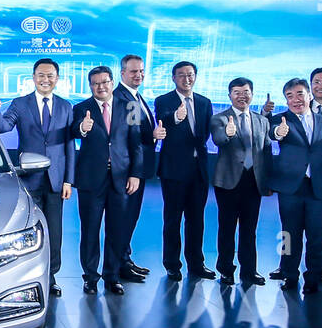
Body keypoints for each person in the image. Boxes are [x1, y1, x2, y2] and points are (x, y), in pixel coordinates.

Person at [0, 58, 76, 297]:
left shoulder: (66, 106)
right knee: (29, 231)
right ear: (33, 77)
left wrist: (69, 180)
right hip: (29, 178)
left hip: (56, 180)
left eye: (50, 75)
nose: (45, 79)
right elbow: (4, 126)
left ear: (57, 79)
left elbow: (69, 145)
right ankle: (26, 278)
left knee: (55, 232)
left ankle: (51, 277)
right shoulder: (20, 103)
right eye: (40, 75)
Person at [266, 78, 322, 293]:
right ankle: (290, 276)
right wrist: (278, 133)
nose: (295, 100)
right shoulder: (279, 120)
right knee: (289, 235)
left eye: (299, 94)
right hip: (291, 188)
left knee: (317, 237)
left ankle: (313, 276)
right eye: (289, 96)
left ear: (309, 95)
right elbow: (273, 133)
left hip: (321, 189)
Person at [72, 66, 142, 295]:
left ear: (112, 83)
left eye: (104, 82)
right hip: (91, 180)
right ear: (90, 86)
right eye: (95, 83)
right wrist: (83, 128)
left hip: (121, 179)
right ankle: (90, 277)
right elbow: (73, 131)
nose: (100, 87)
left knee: (117, 230)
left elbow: (135, 143)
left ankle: (112, 276)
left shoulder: (129, 106)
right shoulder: (81, 108)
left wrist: (135, 174)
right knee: (90, 231)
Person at [153, 61, 215, 281]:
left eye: (190, 75)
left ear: (195, 76)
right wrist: (177, 118)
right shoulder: (163, 101)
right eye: (181, 75)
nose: (186, 79)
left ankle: (196, 264)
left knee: (197, 220)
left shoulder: (204, 102)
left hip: (198, 171)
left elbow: (205, 133)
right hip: (173, 171)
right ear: (173, 78)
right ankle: (172, 264)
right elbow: (165, 121)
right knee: (173, 220)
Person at [210, 77, 272, 286]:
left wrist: (268, 181)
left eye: (245, 92)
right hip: (228, 182)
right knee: (227, 228)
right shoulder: (219, 118)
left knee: (249, 229)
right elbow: (218, 139)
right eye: (237, 92)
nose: (241, 96)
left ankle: (249, 271)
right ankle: (226, 270)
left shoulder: (261, 120)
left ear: (252, 94)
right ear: (230, 96)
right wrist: (227, 134)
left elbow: (267, 151)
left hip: (253, 182)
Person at [115, 54, 166, 281]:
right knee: (124, 218)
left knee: (130, 218)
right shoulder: (124, 98)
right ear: (123, 73)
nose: (139, 75)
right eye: (134, 71)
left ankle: (125, 259)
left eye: (142, 71)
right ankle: (119, 264)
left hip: (138, 169)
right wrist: (152, 136)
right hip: (128, 172)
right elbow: (132, 137)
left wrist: (153, 136)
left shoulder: (136, 96)